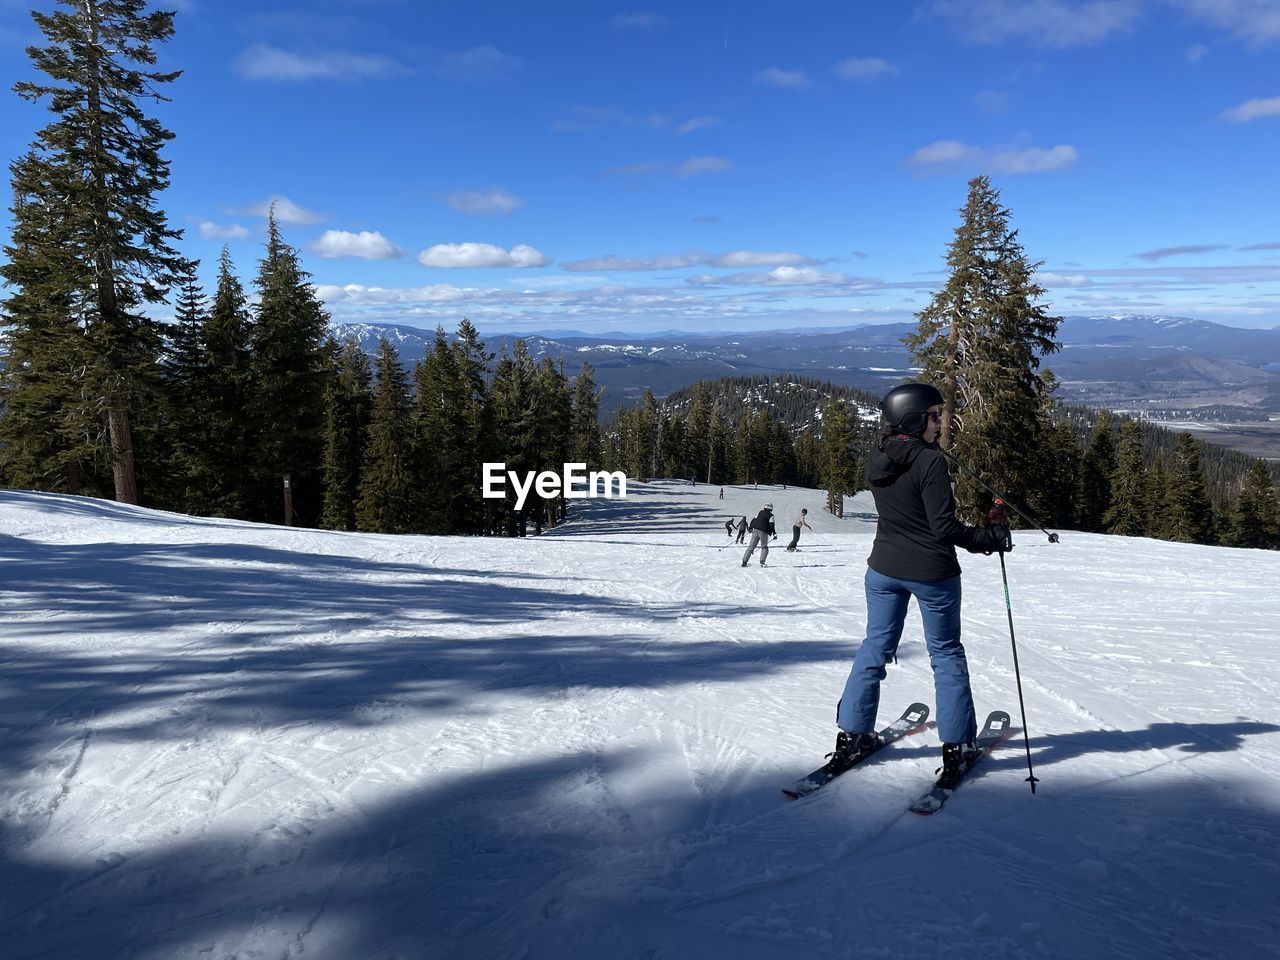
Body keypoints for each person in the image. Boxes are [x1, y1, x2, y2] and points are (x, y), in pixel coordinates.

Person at [830, 383, 1012, 788]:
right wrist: (989, 540)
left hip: (882, 570)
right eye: (933, 416)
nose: (939, 422)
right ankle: (957, 747)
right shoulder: (930, 463)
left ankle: (851, 735)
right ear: (914, 420)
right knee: (946, 654)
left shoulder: (879, 455)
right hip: (932, 574)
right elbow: (944, 527)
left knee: (874, 647)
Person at [741, 503, 776, 567]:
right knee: (764, 547)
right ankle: (762, 562)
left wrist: (751, 528)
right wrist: (774, 533)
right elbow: (771, 524)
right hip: (763, 532)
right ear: (771, 508)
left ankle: (744, 562)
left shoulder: (760, 512)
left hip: (755, 530)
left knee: (751, 546)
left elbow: (754, 520)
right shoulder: (771, 515)